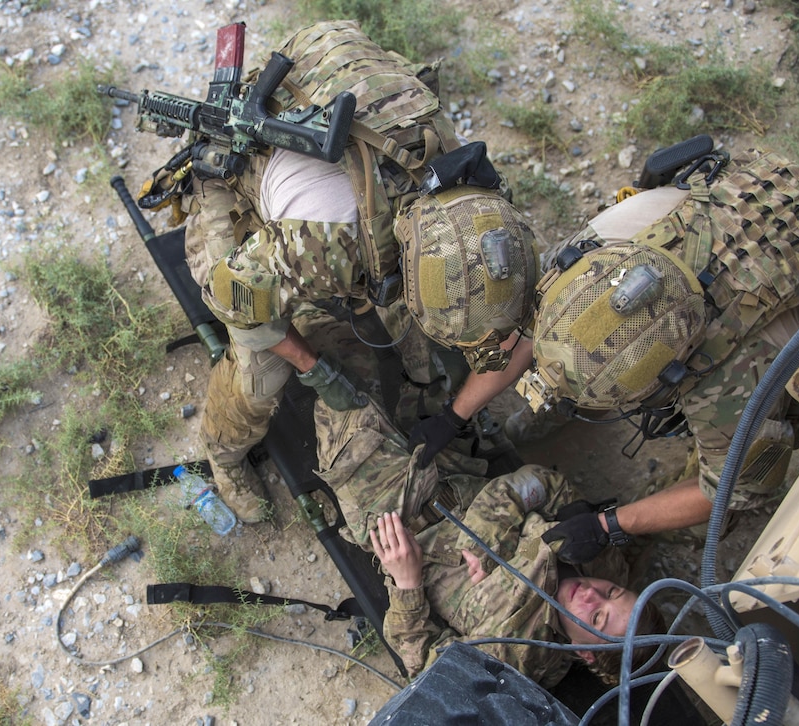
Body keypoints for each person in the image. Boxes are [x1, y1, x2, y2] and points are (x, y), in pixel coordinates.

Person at [179, 21, 540, 523]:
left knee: (417, 337)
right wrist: (313, 367)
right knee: (261, 369)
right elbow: (229, 301)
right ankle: (223, 455)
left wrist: (453, 410)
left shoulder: (487, 214)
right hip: (239, 161)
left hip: (347, 79)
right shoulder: (325, 248)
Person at [509, 146, 799, 556]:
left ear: (670, 376)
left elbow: (729, 491)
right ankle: (572, 398)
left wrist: (610, 525)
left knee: (713, 512)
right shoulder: (588, 252)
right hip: (752, 188)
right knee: (586, 364)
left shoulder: (728, 389)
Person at [312, 395, 664, 687]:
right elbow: (542, 484)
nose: (591, 593)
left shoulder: (512, 656)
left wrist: (407, 583)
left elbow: (424, 668)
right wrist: (492, 543)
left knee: (335, 390)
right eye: (613, 592)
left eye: (598, 617)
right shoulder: (599, 558)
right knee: (411, 368)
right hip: (461, 471)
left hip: (397, 517)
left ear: (585, 653)